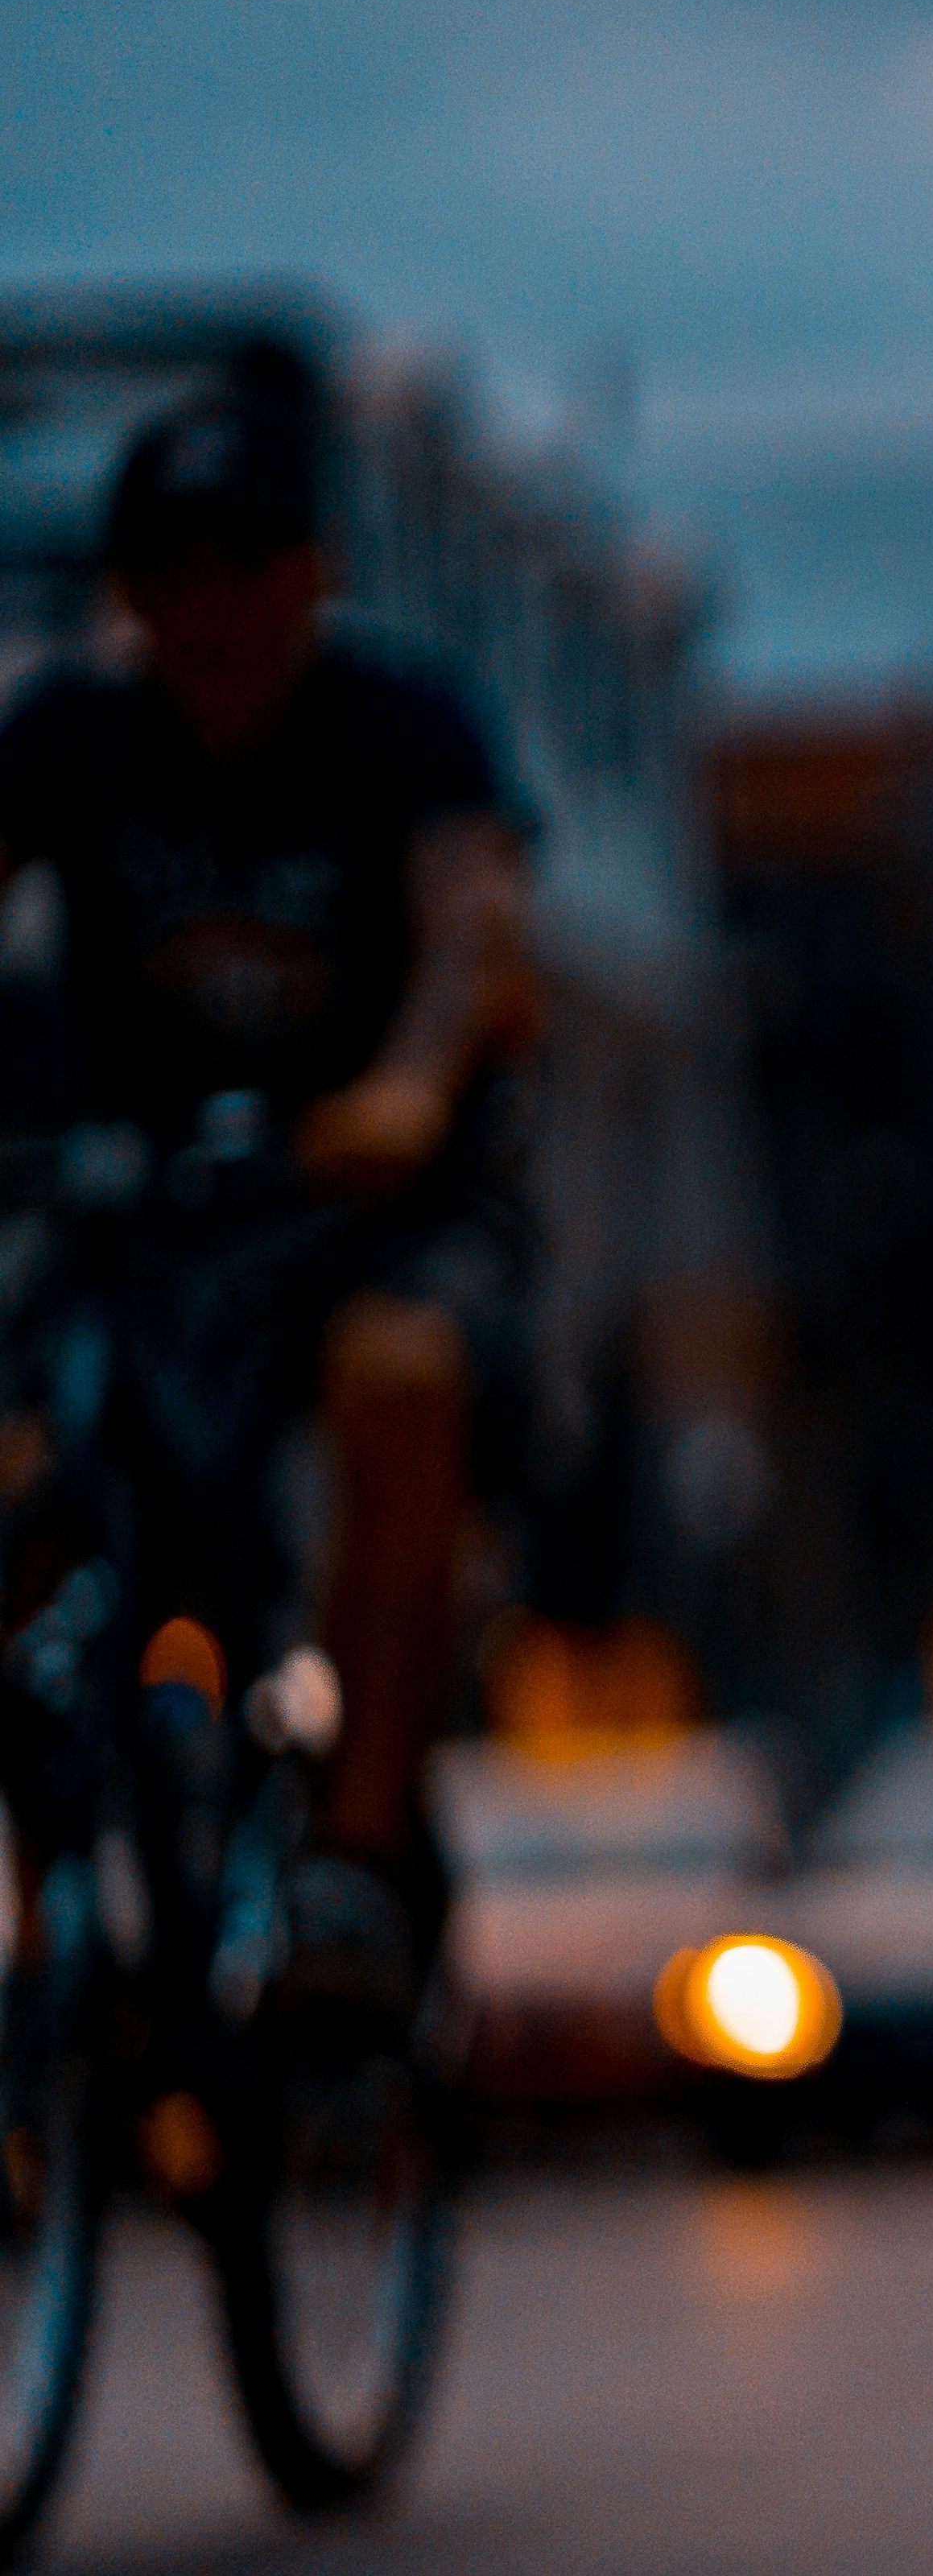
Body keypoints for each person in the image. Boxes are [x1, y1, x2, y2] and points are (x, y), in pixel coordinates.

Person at [0, 353, 541, 1975]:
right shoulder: (71, 735)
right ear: (127, 595)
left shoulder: (405, 725)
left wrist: (411, 1084)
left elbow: (480, 931)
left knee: (401, 1379)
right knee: (25, 1491)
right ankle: (57, 1951)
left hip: (364, 1206)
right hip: (139, 1210)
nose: (215, 613)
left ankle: (359, 1853)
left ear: (313, 575)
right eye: (175, 575)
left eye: (248, 568)